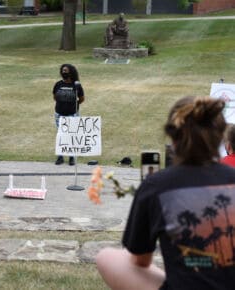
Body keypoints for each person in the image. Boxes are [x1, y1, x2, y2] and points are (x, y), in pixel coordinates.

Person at [96, 96, 235, 290]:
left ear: (173, 138)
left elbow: (140, 261)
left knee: (106, 257)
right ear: (221, 137)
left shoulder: (156, 186)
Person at [53, 64, 85, 166]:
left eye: (66, 71)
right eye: (63, 71)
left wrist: (73, 105)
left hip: (72, 114)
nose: (64, 72)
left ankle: (71, 157)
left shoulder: (77, 85)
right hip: (59, 114)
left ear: (71, 72)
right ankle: (60, 156)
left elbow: (82, 98)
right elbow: (55, 97)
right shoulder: (58, 84)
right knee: (61, 135)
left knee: (72, 135)